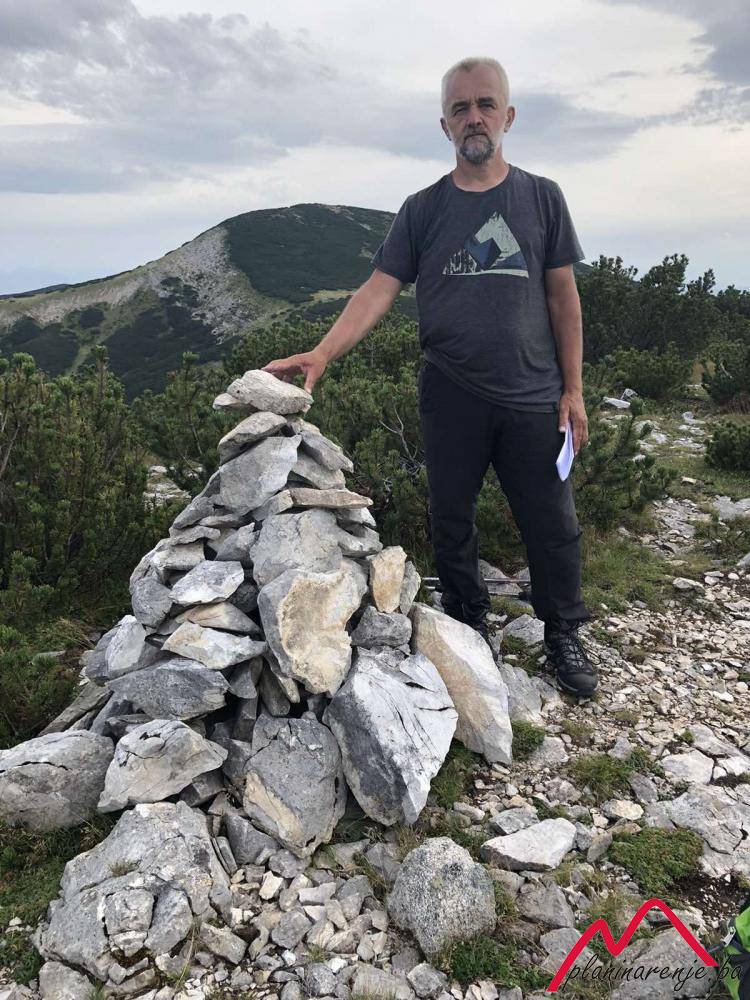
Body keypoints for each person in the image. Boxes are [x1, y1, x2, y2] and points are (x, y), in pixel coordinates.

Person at [262, 56, 598, 698]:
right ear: (445, 125)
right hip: (451, 388)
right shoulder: (423, 209)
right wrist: (323, 352)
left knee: (552, 523)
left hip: (534, 394)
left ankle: (562, 630)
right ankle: (467, 623)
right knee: (451, 516)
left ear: (508, 116)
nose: (474, 117)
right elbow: (376, 290)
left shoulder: (541, 197)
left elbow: (564, 299)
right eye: (460, 108)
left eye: (485, 104)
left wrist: (573, 390)